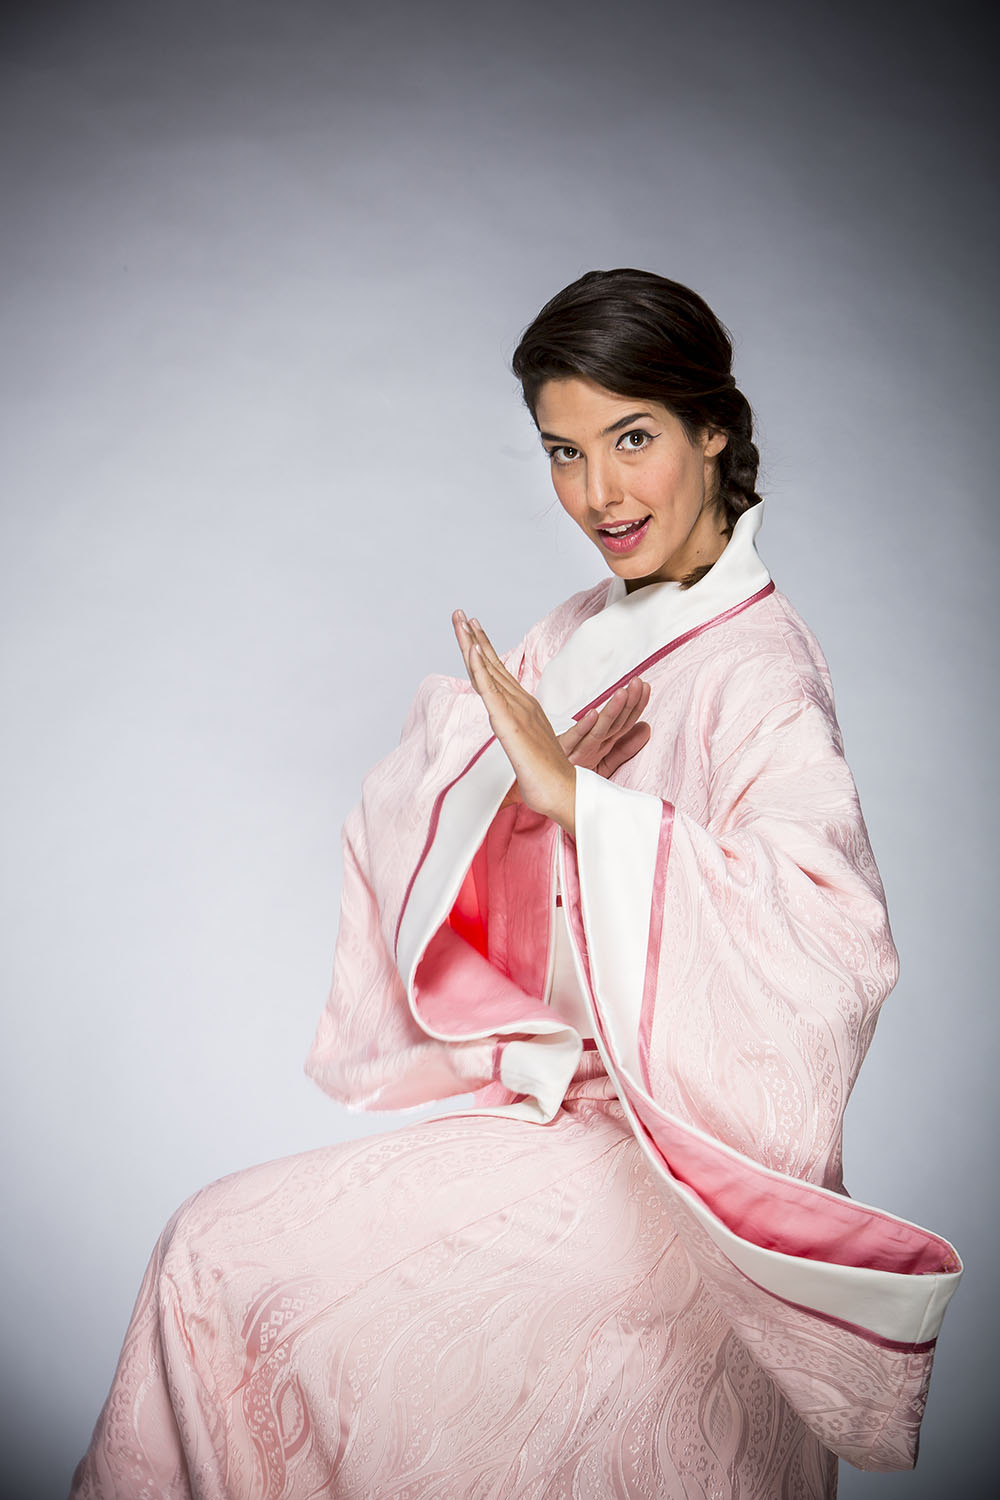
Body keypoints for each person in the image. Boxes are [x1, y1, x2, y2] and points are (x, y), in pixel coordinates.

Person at [71, 269, 961, 1500]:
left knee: (221, 1264)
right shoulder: (573, 633)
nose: (599, 494)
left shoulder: (761, 669)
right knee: (220, 1263)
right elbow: (487, 919)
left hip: (674, 1180)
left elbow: (832, 940)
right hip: (557, 1126)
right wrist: (510, 810)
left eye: (633, 439)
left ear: (714, 430)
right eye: (563, 452)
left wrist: (587, 809)